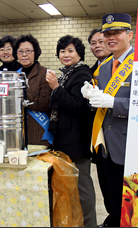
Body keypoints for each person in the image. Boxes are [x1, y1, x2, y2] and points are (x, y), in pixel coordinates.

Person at [81, 13, 135, 227]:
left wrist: (114, 103)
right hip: (104, 146)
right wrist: (91, 97)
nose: (111, 38)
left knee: (131, 202)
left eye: (117, 33)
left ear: (129, 35)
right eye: (107, 34)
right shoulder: (103, 68)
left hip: (129, 144)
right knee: (111, 197)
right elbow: (99, 104)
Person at [46, 35, 97, 227]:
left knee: (83, 186)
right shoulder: (67, 73)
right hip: (65, 138)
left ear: (79, 54)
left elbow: (77, 106)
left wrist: (56, 88)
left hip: (77, 140)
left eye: (70, 51)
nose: (65, 55)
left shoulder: (82, 74)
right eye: (62, 51)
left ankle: (90, 224)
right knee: (71, 187)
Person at [88, 28, 112, 227]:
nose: (97, 46)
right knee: (104, 183)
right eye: (93, 43)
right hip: (98, 135)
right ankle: (111, 218)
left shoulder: (121, 68)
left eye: (101, 41)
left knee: (117, 186)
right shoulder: (92, 69)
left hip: (117, 136)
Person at [13, 34, 52, 147]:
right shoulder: (15, 75)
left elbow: (44, 103)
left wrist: (19, 98)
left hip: (38, 131)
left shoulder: (45, 73)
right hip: (17, 132)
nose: (24, 54)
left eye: (28, 51)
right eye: (20, 51)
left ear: (35, 53)